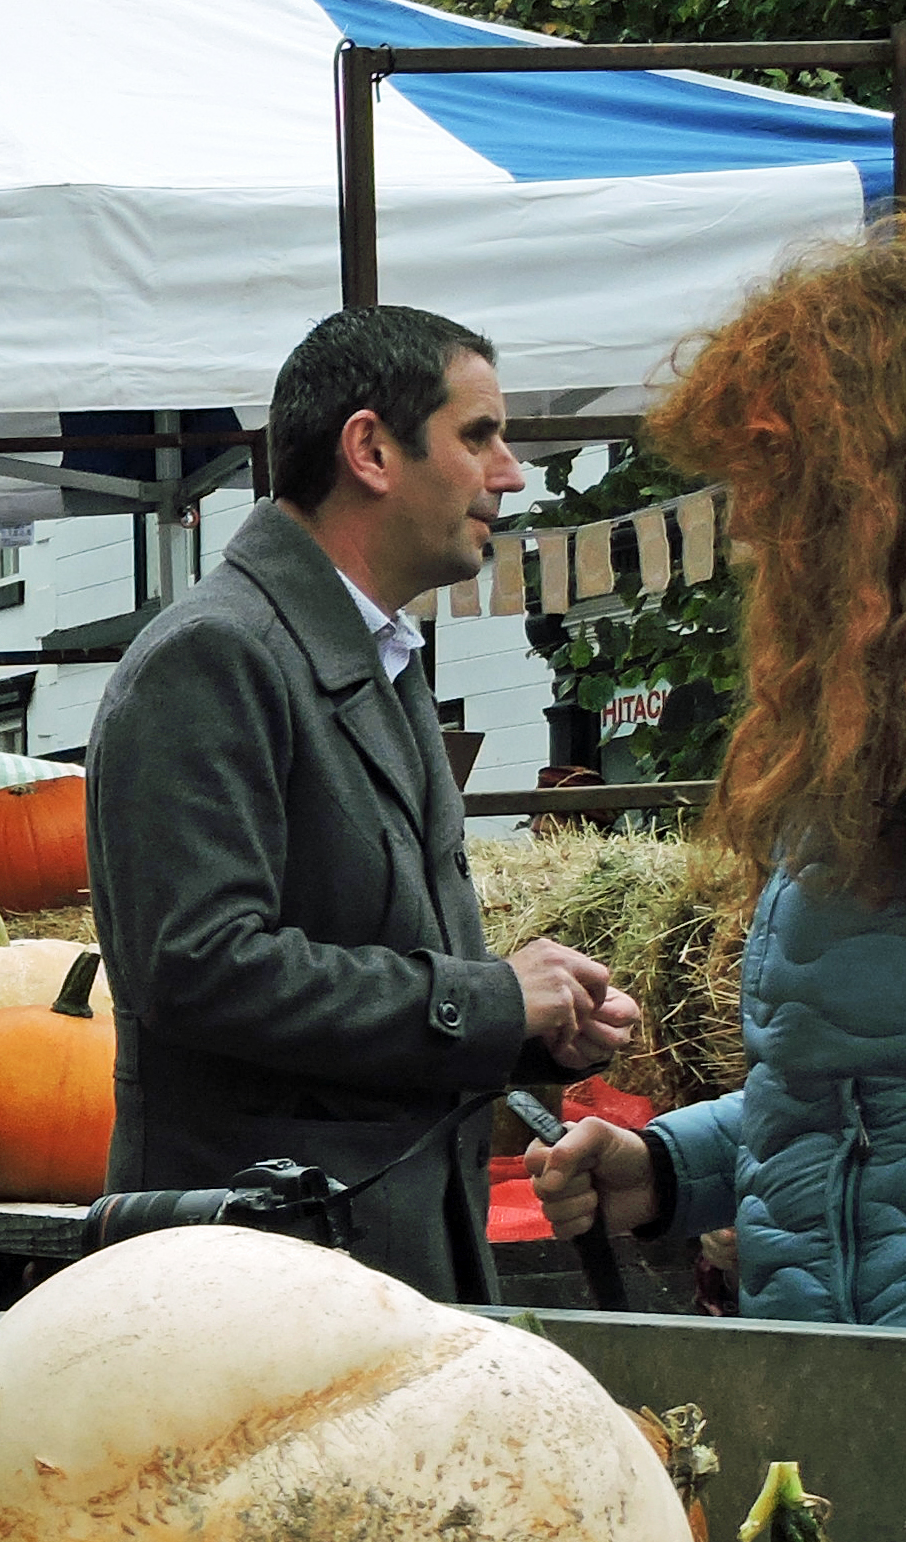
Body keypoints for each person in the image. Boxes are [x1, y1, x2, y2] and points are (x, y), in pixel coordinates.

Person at [88, 305, 634, 1297]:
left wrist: (521, 1033)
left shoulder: (374, 656)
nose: (508, 473)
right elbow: (199, 967)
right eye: (477, 436)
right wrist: (491, 996)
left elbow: (367, 979)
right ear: (370, 450)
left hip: (356, 1265)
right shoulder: (213, 657)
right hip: (265, 1283)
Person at [532, 230, 906, 1323]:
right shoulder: (879, 712)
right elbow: (866, 1103)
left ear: (874, 482)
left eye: (776, 476)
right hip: (871, 1366)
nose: (751, 523)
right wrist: (669, 1168)